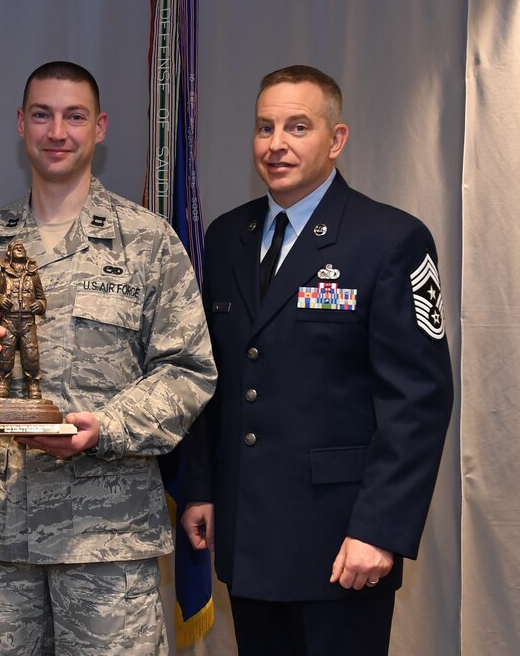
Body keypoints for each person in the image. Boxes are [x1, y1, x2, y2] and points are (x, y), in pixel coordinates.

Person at [0, 61, 216, 655]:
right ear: (20, 124)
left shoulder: (148, 241)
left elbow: (188, 371)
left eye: (74, 116)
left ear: (100, 126)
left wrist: (105, 427)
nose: (57, 131)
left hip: (108, 541)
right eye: (42, 114)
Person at [181, 64, 454, 655]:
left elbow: (419, 401)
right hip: (248, 534)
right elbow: (213, 378)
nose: (276, 144)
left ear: (336, 140)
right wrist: (199, 486)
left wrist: (378, 530)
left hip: (340, 540)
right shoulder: (227, 237)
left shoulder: (390, 240)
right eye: (264, 127)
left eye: (297, 127)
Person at [0, 238, 46, 398]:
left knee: (31, 356)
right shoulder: (3, 274)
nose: (20, 248)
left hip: (28, 322)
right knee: (4, 357)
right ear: (10, 252)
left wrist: (40, 306)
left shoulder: (33, 275)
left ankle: (34, 386)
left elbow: (42, 298)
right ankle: (2, 385)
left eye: (22, 247)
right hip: (8, 321)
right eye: (16, 247)